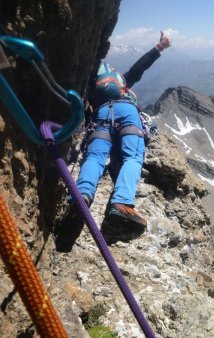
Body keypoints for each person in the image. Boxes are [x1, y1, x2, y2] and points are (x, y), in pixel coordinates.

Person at [55, 32, 171, 251]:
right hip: (127, 113)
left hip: (101, 115)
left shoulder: (92, 83)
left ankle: (81, 196)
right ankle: (121, 203)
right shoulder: (122, 81)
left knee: (95, 157)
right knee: (133, 157)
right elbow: (139, 68)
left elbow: (82, 108)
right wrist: (159, 47)